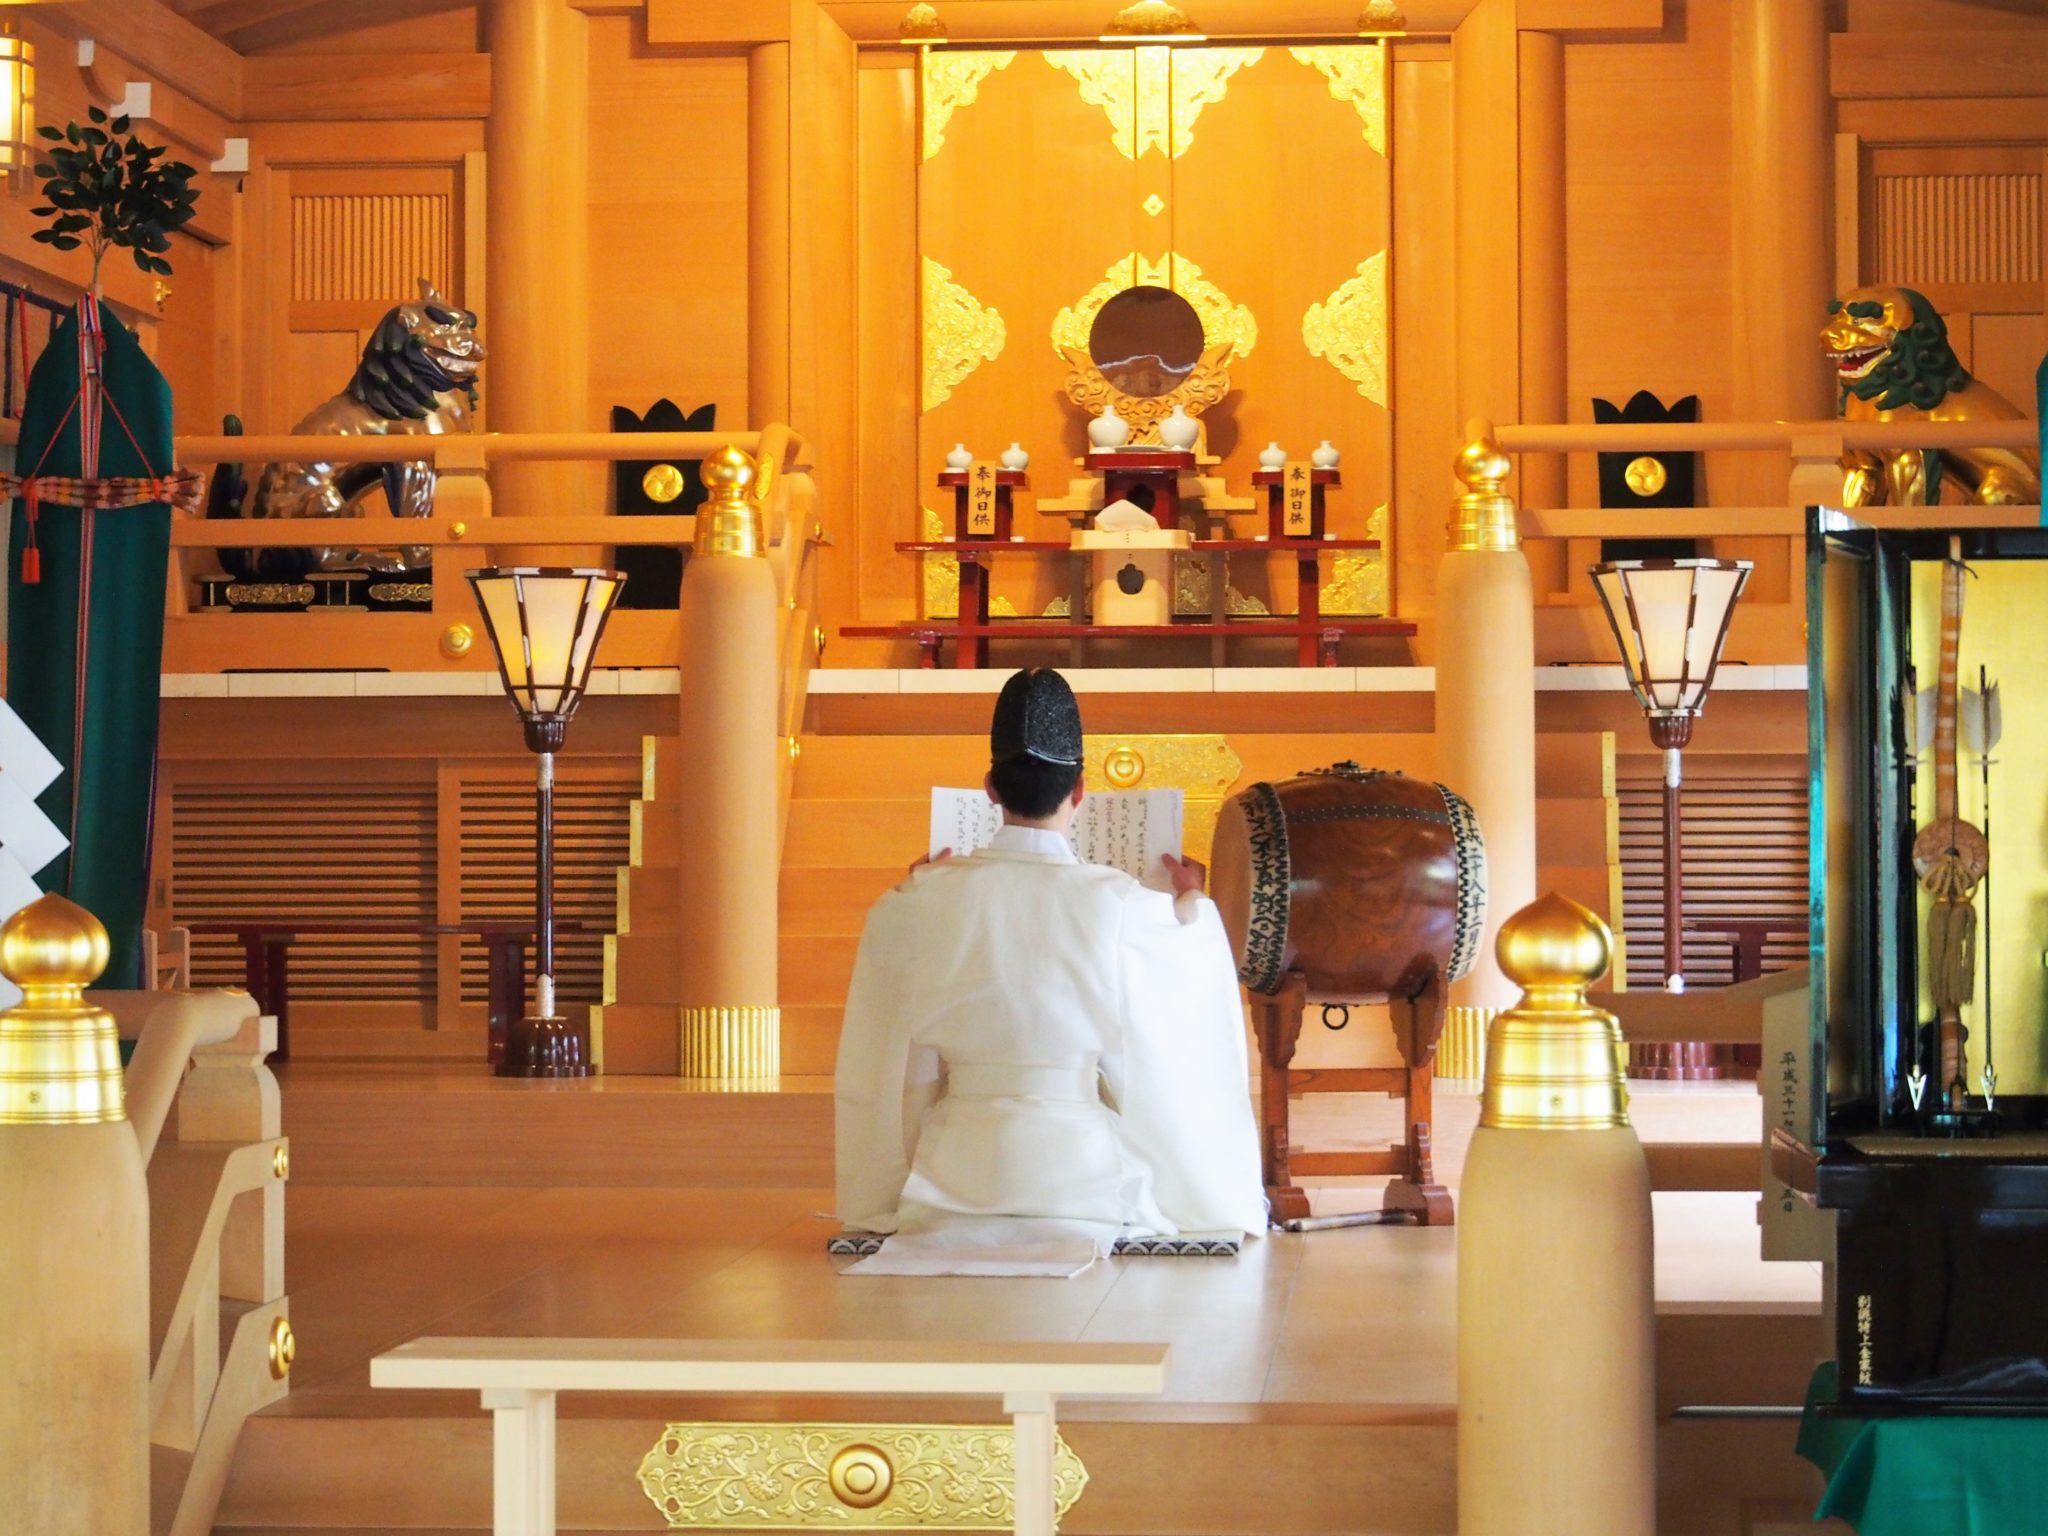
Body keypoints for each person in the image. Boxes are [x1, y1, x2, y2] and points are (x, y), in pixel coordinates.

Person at [834, 667, 1266, 1269]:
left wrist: (912, 891)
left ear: (990, 787)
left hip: (953, 1172)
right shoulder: (1119, 902)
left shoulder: (923, 899)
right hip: (1078, 1173)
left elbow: (884, 1049)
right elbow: (1189, 1000)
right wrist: (1191, 900)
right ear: (1081, 791)